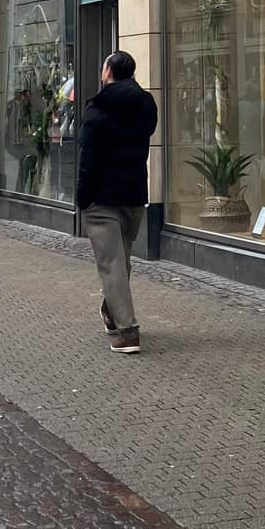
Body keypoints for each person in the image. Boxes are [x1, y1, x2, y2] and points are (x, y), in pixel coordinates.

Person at [75, 50, 158, 356]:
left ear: (108, 71)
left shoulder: (97, 110)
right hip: (134, 193)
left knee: (112, 265)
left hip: (102, 198)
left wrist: (83, 197)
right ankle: (111, 312)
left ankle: (126, 332)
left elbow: (87, 159)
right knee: (120, 262)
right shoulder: (146, 105)